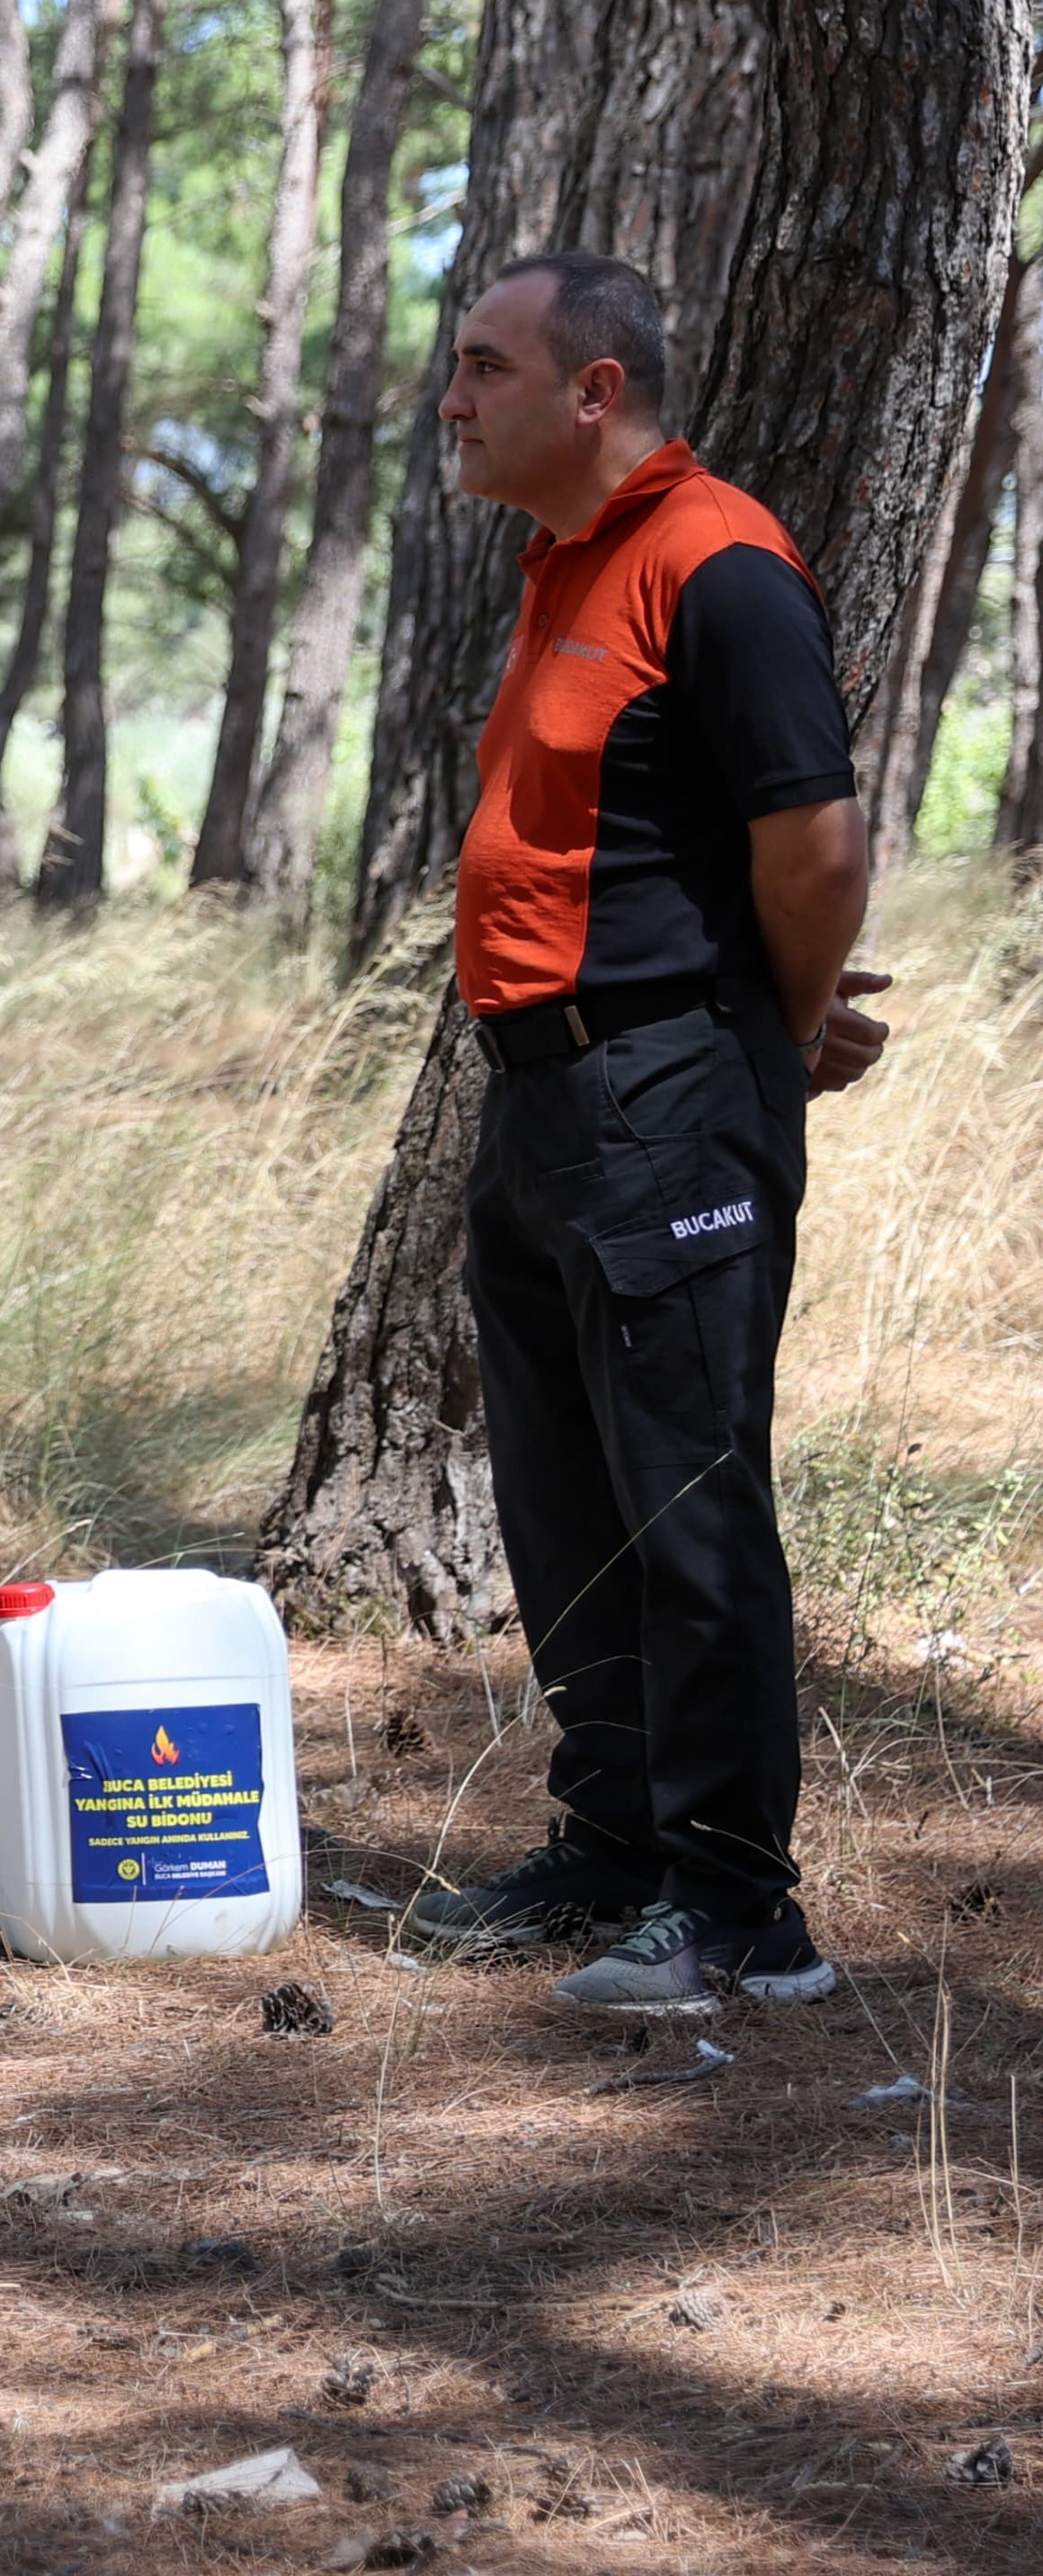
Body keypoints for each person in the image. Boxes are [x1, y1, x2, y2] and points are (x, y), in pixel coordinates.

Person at [395, 250, 890, 2016]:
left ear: (593, 391)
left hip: (669, 1089)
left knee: (685, 1494)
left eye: (483, 365)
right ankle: (612, 1846)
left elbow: (816, 842)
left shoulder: (719, 563)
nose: (450, 396)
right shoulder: (567, 566)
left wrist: (781, 1010)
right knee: (565, 1496)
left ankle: (744, 1911)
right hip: (544, 1094)